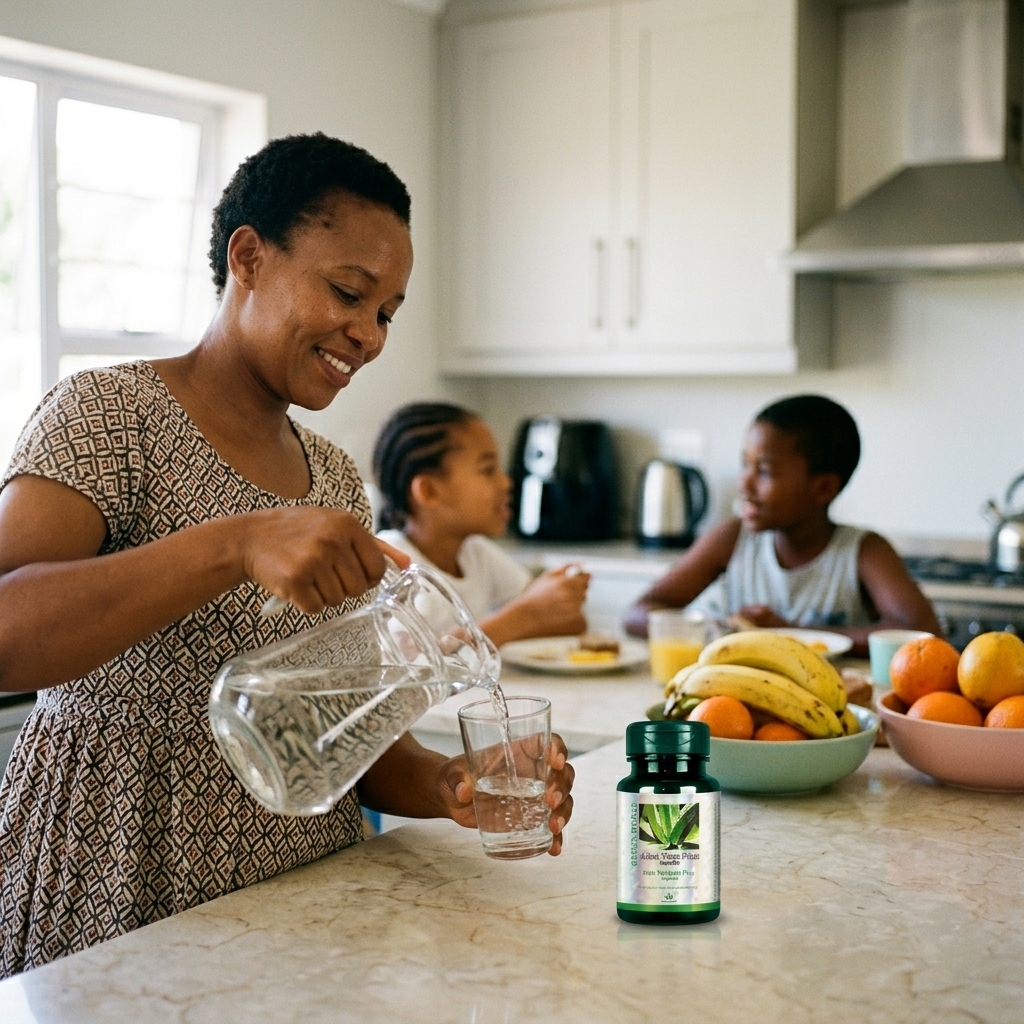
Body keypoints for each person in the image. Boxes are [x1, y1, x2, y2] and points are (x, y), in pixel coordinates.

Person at [0, 134, 574, 977]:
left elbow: (336, 732)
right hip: (116, 873)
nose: (369, 335)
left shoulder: (335, 480)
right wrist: (235, 543)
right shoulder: (108, 415)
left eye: (386, 312)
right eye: (349, 291)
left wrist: (450, 788)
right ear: (249, 256)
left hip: (300, 897)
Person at [625, 395, 940, 655]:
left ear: (823, 488)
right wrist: (714, 629)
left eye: (764, 472)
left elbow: (921, 633)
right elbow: (639, 612)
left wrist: (787, 633)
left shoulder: (864, 551)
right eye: (745, 464)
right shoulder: (732, 539)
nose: (744, 483)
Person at [373, 402, 590, 647]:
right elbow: (414, 666)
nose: (506, 482)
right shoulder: (391, 564)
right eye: (487, 470)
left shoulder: (475, 552)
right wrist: (526, 615)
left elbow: (569, 622)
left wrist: (553, 602)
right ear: (429, 491)